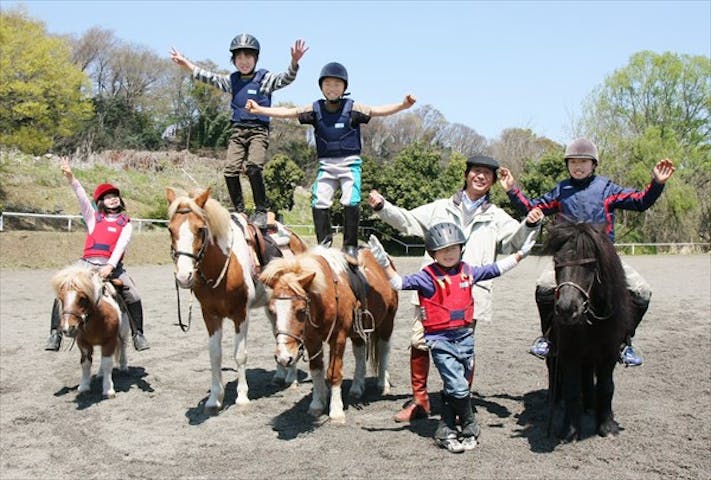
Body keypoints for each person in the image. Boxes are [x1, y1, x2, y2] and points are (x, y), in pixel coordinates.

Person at [368, 155, 543, 423]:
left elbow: (514, 242)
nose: (481, 176)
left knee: (463, 350)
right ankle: (420, 402)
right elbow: (407, 221)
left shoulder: (497, 216)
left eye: (487, 173)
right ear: (466, 175)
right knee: (419, 342)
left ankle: (460, 405)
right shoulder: (440, 208)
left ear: (494, 181)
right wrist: (383, 207)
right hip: (432, 292)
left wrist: (530, 224)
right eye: (476, 171)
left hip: (468, 294)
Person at [499, 137, 676, 366]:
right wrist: (512, 190)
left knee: (642, 292)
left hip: (603, 258)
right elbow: (533, 209)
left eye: (584, 161)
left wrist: (657, 183)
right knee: (544, 287)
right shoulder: (561, 190)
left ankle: (624, 340)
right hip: (569, 260)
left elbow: (640, 201)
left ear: (594, 165)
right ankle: (549, 337)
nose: (578, 166)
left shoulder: (607, 188)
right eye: (573, 162)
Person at [369, 222, 536, 452]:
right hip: (441, 341)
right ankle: (470, 426)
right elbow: (398, 283)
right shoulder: (427, 277)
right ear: (433, 253)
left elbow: (495, 269)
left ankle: (445, 430)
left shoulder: (468, 271)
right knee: (458, 387)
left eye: (453, 249)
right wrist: (384, 262)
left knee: (452, 389)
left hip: (466, 338)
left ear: (461, 249)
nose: (449, 254)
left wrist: (521, 254)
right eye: (442, 250)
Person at [245, 62, 416, 259]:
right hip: (326, 166)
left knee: (350, 198)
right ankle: (324, 246)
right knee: (319, 200)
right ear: (321, 86)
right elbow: (288, 112)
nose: (332, 88)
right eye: (327, 84)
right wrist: (260, 110)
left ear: (344, 87)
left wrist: (403, 105)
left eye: (337, 85)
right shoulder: (315, 108)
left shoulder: (353, 108)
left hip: (349, 164)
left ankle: (350, 245)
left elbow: (379, 111)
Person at [170, 35, 309, 228]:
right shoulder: (232, 80)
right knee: (230, 171)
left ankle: (261, 209)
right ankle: (239, 210)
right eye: (239, 59)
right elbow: (209, 77)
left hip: (258, 131)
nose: (244, 62)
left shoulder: (264, 79)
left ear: (256, 59)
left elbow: (286, 79)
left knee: (253, 167)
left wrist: (294, 62)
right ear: (234, 60)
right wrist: (187, 64)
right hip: (238, 131)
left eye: (248, 58)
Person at [45, 160, 149, 352]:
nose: (113, 199)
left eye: (115, 196)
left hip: (113, 266)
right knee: (64, 292)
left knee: (133, 295)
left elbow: (121, 245)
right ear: (101, 201)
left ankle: (138, 334)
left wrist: (110, 265)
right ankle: (55, 334)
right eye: (108, 197)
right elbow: (82, 198)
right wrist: (71, 177)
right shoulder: (93, 218)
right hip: (86, 265)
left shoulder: (125, 223)